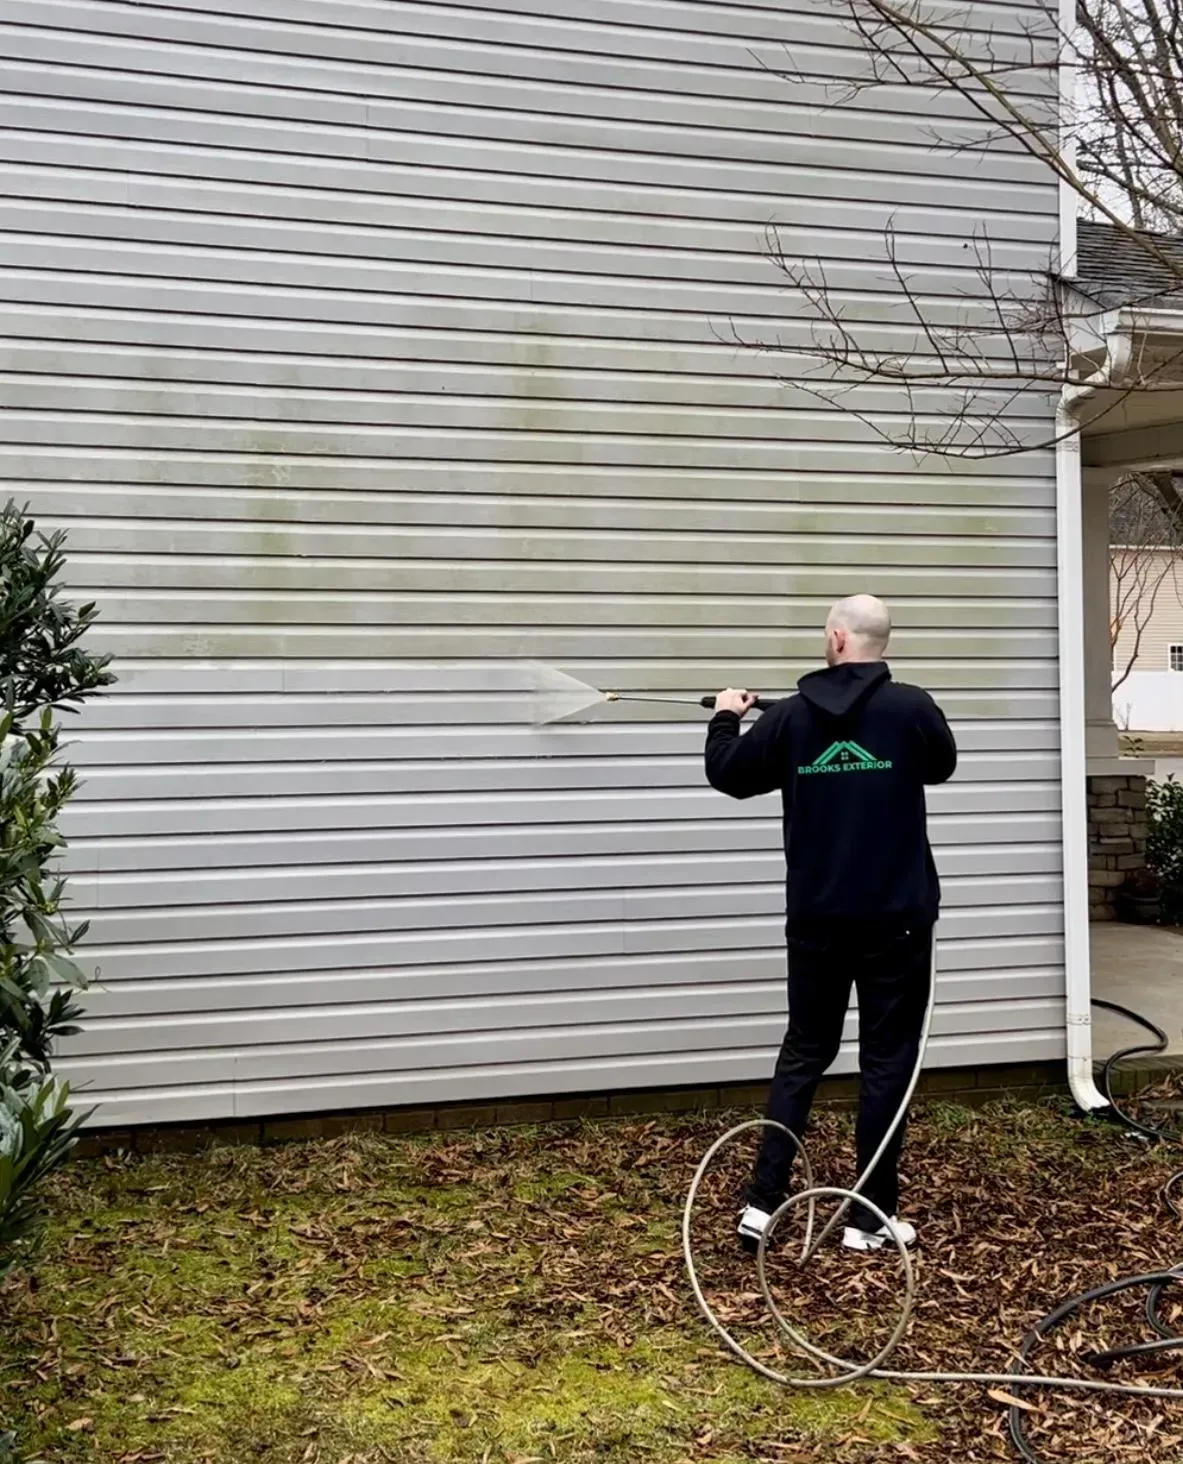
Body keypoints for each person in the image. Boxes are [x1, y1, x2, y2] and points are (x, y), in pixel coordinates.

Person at [704, 594, 957, 1254]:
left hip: (817, 915)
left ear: (840, 639)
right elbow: (939, 764)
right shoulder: (910, 710)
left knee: (805, 1050)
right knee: (885, 1062)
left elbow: (727, 774)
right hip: (896, 918)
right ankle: (867, 1218)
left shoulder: (789, 721)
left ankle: (761, 1206)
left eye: (826, 633)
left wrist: (727, 718)